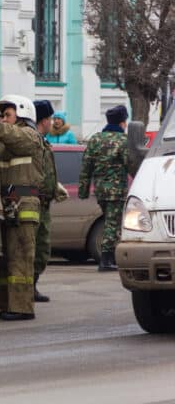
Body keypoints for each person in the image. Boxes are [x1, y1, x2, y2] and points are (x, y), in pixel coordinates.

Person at [0, 95, 43, 320]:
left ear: (22, 114)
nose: (3, 119)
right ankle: (8, 305)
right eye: (1, 115)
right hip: (9, 206)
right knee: (6, 259)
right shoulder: (5, 144)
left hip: (24, 206)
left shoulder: (29, 136)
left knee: (20, 257)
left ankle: (22, 308)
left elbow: (13, 135)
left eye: (7, 115)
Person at [78, 105, 130, 271]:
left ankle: (109, 257)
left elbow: (86, 165)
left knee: (109, 221)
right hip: (116, 190)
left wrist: (83, 191)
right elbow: (130, 164)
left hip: (100, 190)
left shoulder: (95, 139)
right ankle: (106, 260)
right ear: (122, 123)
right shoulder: (123, 141)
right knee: (113, 224)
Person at [32, 100, 69, 303]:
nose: (51, 122)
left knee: (41, 249)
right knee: (30, 249)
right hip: (34, 203)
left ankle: (32, 286)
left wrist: (55, 187)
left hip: (44, 202)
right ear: (44, 120)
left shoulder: (42, 140)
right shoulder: (33, 140)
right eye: (49, 119)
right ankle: (20, 287)